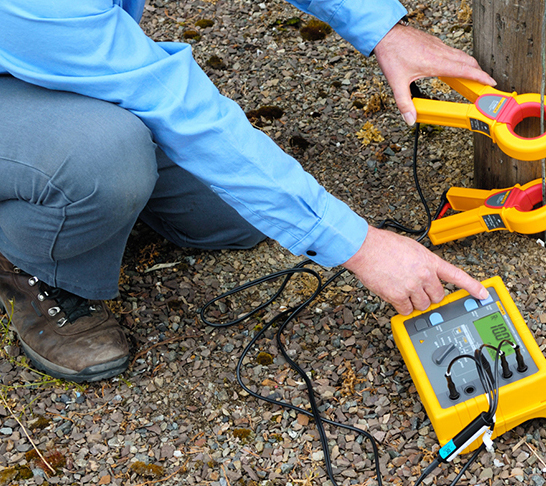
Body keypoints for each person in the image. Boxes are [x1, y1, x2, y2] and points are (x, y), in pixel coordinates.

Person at [0, 0, 496, 383]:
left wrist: (383, 29)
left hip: (61, 55)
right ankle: (27, 261)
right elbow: (183, 110)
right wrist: (361, 246)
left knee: (234, 213)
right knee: (106, 157)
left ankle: (92, 185)